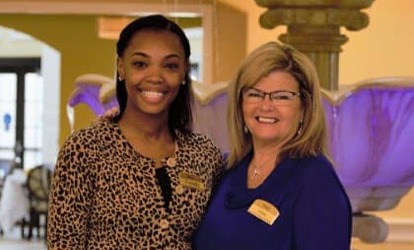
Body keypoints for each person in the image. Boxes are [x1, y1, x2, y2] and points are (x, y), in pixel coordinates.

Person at [47, 14, 223, 249]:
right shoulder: (85, 149)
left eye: (170, 65)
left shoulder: (204, 154)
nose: (155, 77)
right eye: (140, 63)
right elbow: (64, 243)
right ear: (121, 67)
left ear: (183, 72)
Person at [193, 42, 352, 250]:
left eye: (281, 97)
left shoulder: (315, 181)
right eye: (254, 94)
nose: (266, 105)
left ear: (304, 108)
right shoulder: (225, 171)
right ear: (240, 104)